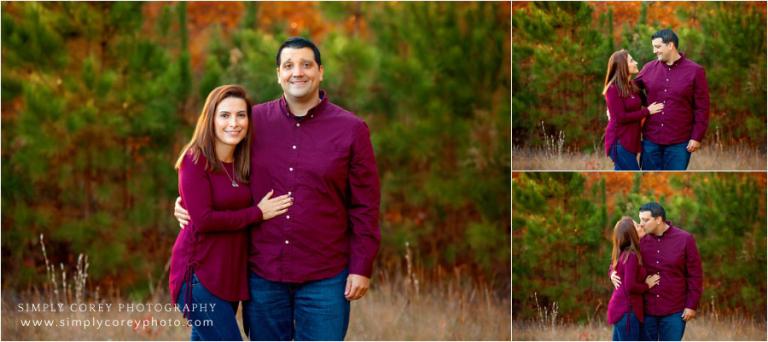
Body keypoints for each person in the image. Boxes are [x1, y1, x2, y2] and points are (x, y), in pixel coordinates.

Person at [174, 37, 382, 340]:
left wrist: (361, 266)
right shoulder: (251, 121)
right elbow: (212, 165)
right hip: (263, 274)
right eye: (288, 65)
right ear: (278, 74)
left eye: (306, 65)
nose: (297, 72)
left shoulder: (351, 130)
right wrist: (183, 201)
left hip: (325, 275)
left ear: (320, 71)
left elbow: (365, 206)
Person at [169, 85, 293, 340]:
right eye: (225, 115)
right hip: (199, 277)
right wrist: (257, 213)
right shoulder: (195, 160)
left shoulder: (244, 163)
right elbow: (203, 221)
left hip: (230, 277)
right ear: (210, 119)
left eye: (241, 115)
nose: (233, 123)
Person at [611, 202, 703, 341]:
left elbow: (695, 275)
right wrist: (612, 272)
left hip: (674, 310)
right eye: (640, 219)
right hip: (646, 310)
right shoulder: (639, 240)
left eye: (645, 220)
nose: (641, 224)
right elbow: (619, 259)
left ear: (659, 219)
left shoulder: (685, 239)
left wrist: (691, 305)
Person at [635, 29, 710, 170]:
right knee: (650, 180)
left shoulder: (695, 71)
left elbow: (702, 107)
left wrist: (697, 136)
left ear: (670, 45)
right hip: (651, 140)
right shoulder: (648, 68)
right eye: (653, 47)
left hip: (680, 142)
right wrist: (644, 105)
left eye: (657, 47)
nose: (654, 51)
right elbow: (629, 89)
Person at [603, 49, 664, 170]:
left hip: (631, 142)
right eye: (631, 60)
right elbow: (620, 118)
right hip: (619, 142)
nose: (635, 62)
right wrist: (647, 111)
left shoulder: (632, 87)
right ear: (622, 66)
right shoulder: (612, 89)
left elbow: (647, 98)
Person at [607, 217, 660, 340]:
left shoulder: (624, 253)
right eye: (637, 225)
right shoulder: (631, 256)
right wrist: (647, 285)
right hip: (627, 311)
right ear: (631, 233)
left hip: (622, 309)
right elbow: (630, 286)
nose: (641, 226)